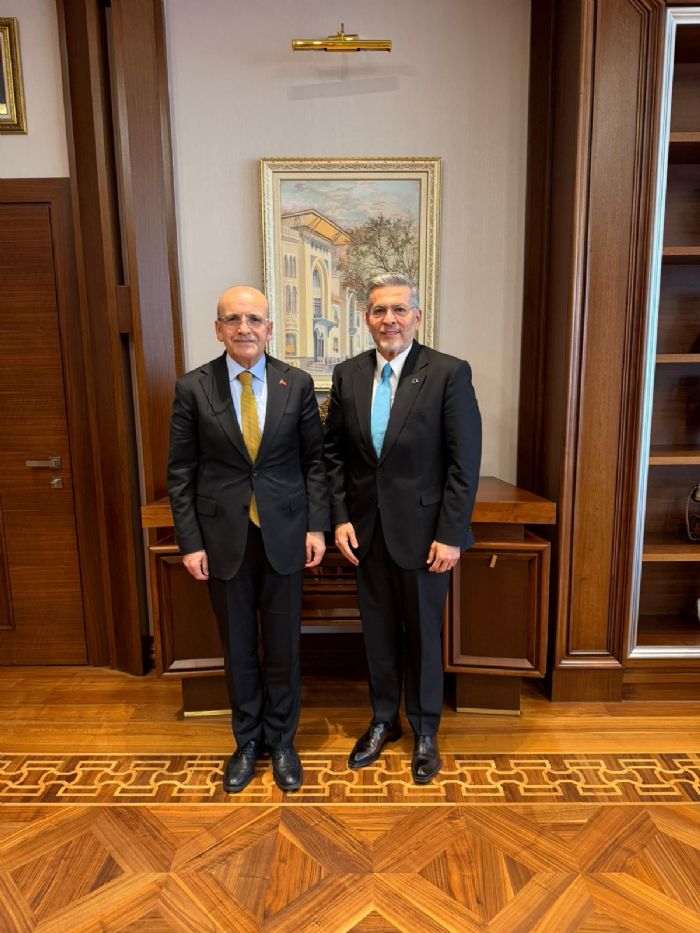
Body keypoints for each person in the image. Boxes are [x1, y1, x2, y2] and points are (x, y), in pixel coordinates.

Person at [167, 285, 328, 793]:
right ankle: (246, 741)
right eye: (233, 319)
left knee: (282, 647)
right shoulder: (193, 388)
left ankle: (281, 741)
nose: (244, 328)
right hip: (222, 539)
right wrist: (190, 543)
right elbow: (181, 472)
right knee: (237, 647)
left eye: (254, 319)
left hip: (285, 534)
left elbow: (315, 463)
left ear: (269, 328)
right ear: (218, 329)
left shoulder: (296, 384)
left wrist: (315, 526)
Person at [324, 273, 481, 784]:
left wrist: (452, 534)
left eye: (398, 310)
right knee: (378, 634)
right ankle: (383, 720)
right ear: (366, 318)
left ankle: (426, 730)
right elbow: (334, 456)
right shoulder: (347, 374)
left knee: (423, 638)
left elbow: (464, 463)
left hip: (426, 537)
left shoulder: (448, 373)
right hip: (365, 535)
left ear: (416, 316)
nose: (388, 320)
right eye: (378, 311)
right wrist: (340, 518)